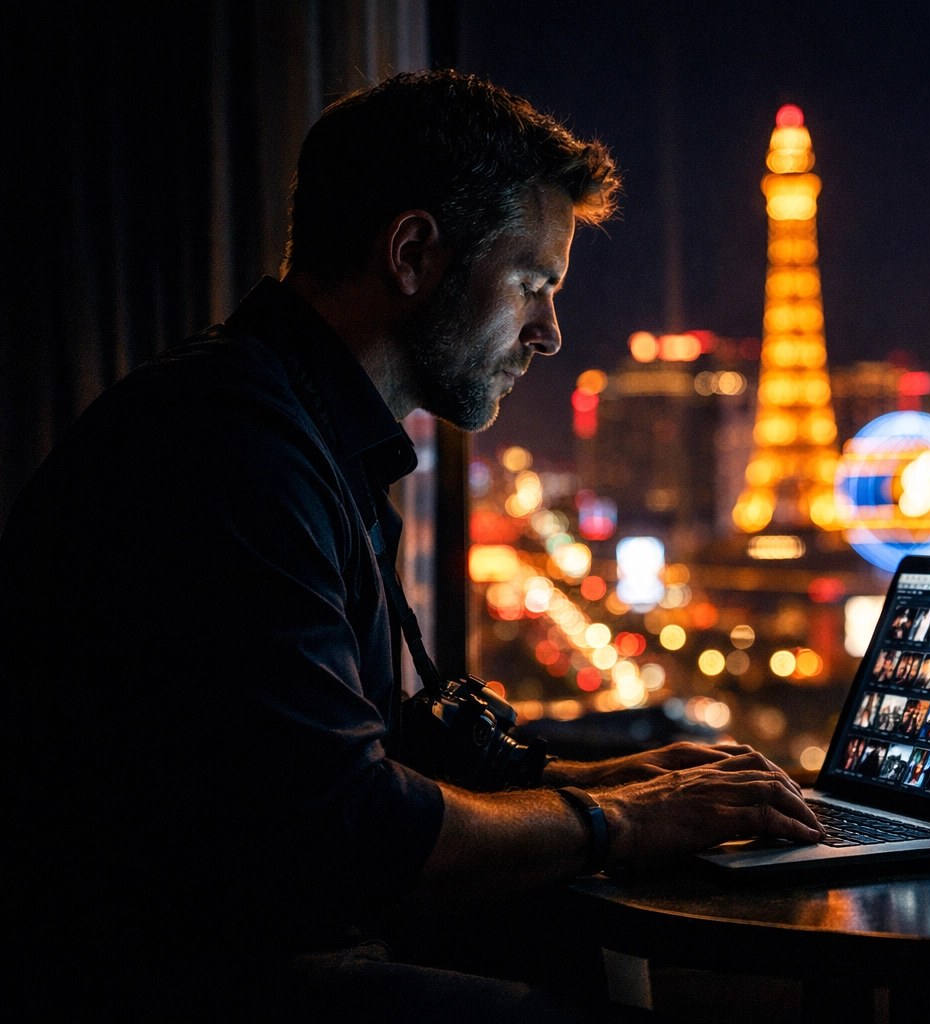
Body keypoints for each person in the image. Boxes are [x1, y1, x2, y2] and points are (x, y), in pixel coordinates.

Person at [0, 70, 820, 1020]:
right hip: (175, 978)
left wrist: (602, 777)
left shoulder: (287, 425)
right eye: (531, 285)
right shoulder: (234, 456)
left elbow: (372, 755)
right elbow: (350, 827)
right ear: (414, 252)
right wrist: (622, 819)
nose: (550, 332)